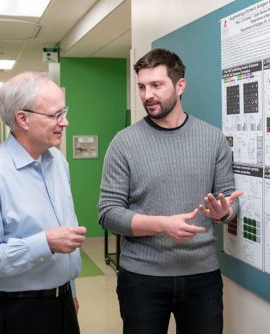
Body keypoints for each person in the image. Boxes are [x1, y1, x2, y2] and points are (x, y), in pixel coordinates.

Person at [98, 48, 243, 334]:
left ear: (180, 85)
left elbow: (230, 201)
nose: (147, 94)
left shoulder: (213, 139)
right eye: (141, 86)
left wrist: (224, 212)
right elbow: (107, 214)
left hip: (202, 276)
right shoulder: (123, 143)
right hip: (141, 278)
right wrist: (162, 225)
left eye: (156, 85)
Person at [0, 72, 86, 334]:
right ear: (22, 119)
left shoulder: (58, 163)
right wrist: (44, 243)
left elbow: (67, 236)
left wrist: (69, 291)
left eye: (65, 112)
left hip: (62, 304)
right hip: (19, 314)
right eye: (55, 115)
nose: (65, 122)